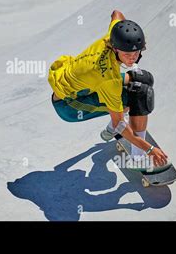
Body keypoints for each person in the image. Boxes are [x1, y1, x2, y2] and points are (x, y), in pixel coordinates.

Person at [48, 10, 168, 170]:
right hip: (70, 105)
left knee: (144, 78)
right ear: (116, 49)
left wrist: (125, 31)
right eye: (127, 54)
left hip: (81, 86)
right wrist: (150, 149)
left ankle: (110, 128)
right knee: (139, 94)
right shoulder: (108, 80)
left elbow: (116, 13)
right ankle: (139, 158)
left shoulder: (113, 34)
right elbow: (121, 125)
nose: (132, 58)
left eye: (136, 52)